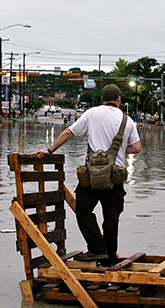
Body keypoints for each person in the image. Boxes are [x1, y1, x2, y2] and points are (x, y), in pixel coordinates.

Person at [37, 84, 141, 265]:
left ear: (102, 99)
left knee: (83, 210)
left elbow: (69, 132)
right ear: (119, 100)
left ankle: (97, 249)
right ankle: (109, 256)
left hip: (92, 176)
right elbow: (137, 148)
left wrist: (50, 149)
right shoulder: (127, 120)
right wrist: (118, 151)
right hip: (115, 177)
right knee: (111, 217)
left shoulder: (91, 114)